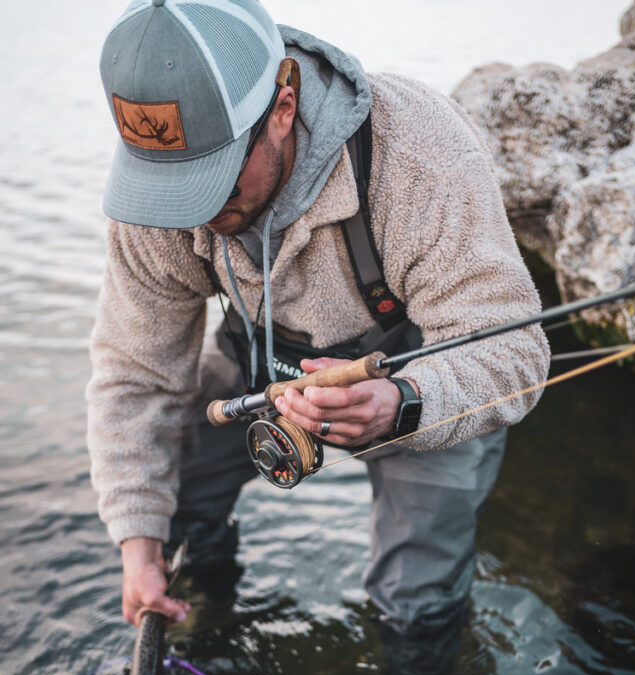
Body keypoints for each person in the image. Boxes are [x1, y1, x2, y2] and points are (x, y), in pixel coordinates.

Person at [88, 0, 550, 636]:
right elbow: (135, 374)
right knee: (165, 517)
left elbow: (514, 351)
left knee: (417, 604)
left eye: (213, 178)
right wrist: (137, 545)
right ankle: (202, 622)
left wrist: (403, 401)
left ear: (282, 108)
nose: (191, 208)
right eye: (168, 183)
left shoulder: (417, 150)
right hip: (255, 350)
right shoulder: (154, 203)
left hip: (421, 368)